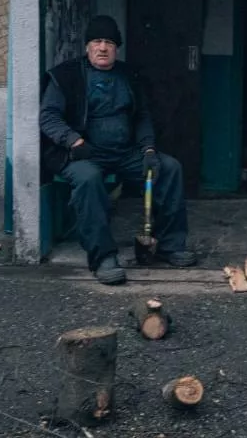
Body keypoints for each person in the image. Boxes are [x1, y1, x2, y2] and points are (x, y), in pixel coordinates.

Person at [39, 15, 196, 285]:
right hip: (84, 153)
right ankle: (103, 257)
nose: (102, 48)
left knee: (170, 169)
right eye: (97, 41)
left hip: (125, 154)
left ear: (116, 48)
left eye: (109, 42)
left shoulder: (128, 76)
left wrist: (148, 149)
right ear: (87, 46)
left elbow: (142, 116)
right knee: (88, 180)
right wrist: (73, 141)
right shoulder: (66, 76)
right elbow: (48, 117)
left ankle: (171, 244)